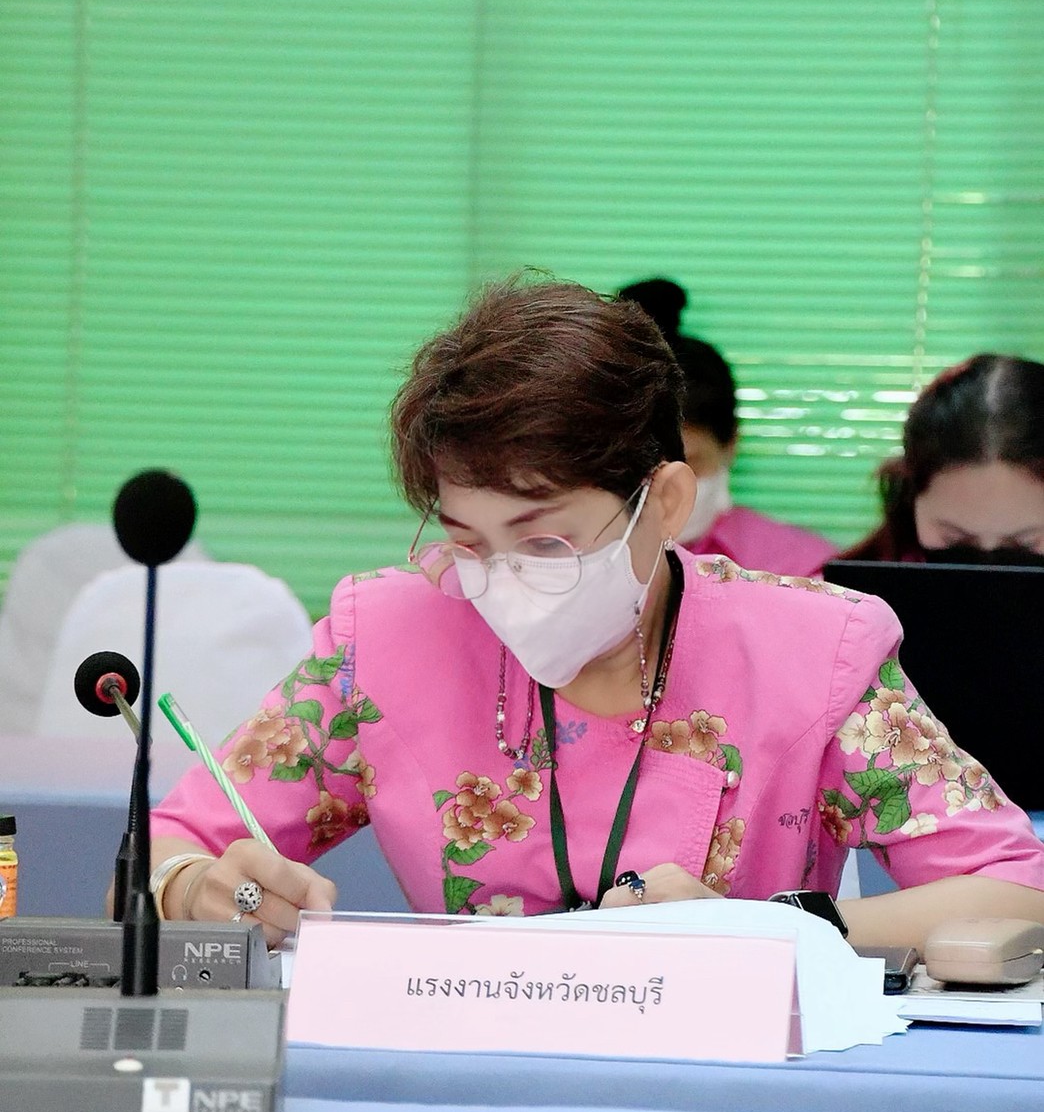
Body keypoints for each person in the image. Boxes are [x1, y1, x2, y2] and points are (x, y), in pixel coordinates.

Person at [146, 278, 1044, 948]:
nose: (501, 581)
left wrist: (773, 929)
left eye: (544, 541)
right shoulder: (381, 640)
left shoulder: (815, 651)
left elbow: (1017, 891)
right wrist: (192, 887)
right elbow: (168, 846)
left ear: (665, 502)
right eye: (467, 541)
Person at [617, 277, 836, 576]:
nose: (667, 488)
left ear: (730, 444)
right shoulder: (572, 561)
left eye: (689, 464)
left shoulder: (800, 570)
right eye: (643, 468)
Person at [839, 353, 1044, 564]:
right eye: (954, 540)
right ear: (911, 498)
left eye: (1026, 544)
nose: (986, 566)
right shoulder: (843, 584)